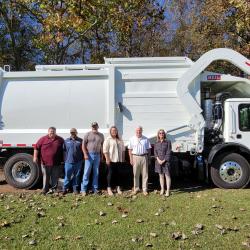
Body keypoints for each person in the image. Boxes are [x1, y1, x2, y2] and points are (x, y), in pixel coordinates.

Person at [33, 127, 64, 195]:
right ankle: (45, 190)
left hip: (56, 163)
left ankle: (54, 189)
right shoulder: (43, 139)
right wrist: (35, 157)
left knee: (55, 177)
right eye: (50, 131)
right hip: (45, 163)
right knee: (46, 176)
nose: (52, 132)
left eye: (53, 131)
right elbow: (36, 147)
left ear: (55, 132)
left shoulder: (60, 139)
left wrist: (63, 159)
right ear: (48, 132)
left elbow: (64, 150)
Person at [81, 122, 104, 196]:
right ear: (91, 127)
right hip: (89, 155)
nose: (94, 127)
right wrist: (85, 154)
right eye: (93, 126)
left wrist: (102, 156)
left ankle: (95, 189)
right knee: (86, 172)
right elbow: (83, 145)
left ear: (98, 126)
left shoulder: (101, 135)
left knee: (96, 172)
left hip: (97, 155)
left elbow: (102, 146)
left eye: (95, 126)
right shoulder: (87, 134)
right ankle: (84, 190)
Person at [128, 126, 151, 196]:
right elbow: (130, 150)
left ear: (142, 131)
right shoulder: (132, 139)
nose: (138, 132)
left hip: (144, 157)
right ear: (135, 131)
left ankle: (144, 189)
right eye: (137, 131)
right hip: (135, 157)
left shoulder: (146, 139)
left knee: (145, 174)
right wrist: (131, 159)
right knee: (135, 174)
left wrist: (149, 158)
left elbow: (149, 149)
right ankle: (136, 189)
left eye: (140, 130)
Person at [103, 126, 125, 196]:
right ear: (110, 132)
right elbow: (105, 150)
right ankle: (109, 188)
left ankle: (118, 187)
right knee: (110, 174)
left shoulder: (119, 139)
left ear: (117, 131)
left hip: (119, 160)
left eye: (115, 130)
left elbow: (123, 150)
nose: (114, 131)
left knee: (118, 174)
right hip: (111, 159)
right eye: (112, 130)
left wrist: (123, 159)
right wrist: (107, 159)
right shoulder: (108, 139)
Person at [63, 128, 83, 195]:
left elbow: (83, 150)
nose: (73, 134)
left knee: (77, 176)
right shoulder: (66, 141)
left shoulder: (80, 140)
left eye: (74, 132)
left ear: (76, 133)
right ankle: (65, 189)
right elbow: (64, 150)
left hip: (78, 162)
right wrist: (65, 160)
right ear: (70, 133)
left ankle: (75, 189)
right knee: (67, 176)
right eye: (72, 133)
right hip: (68, 162)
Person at [154, 129, 172, 197]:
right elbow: (155, 152)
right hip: (158, 162)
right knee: (161, 176)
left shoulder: (168, 142)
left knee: (167, 176)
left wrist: (164, 160)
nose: (161, 134)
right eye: (160, 133)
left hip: (166, 162)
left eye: (162, 133)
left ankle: (168, 191)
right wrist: (158, 159)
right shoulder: (156, 143)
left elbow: (169, 152)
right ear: (158, 135)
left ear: (164, 134)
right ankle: (162, 189)